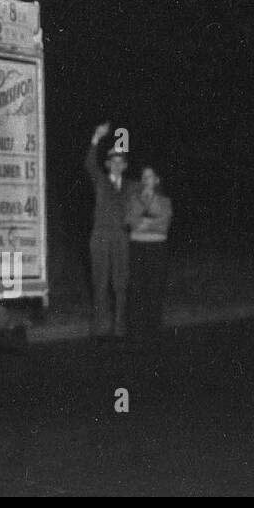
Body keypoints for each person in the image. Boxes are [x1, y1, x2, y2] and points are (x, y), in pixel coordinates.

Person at [84, 121, 136, 342]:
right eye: (112, 162)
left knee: (120, 283)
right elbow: (89, 164)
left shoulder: (132, 186)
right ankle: (99, 327)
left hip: (121, 238)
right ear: (107, 164)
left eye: (120, 162)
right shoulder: (100, 181)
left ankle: (119, 325)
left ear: (124, 166)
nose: (116, 165)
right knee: (100, 282)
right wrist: (96, 137)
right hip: (100, 238)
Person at [126, 165, 173, 338]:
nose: (146, 180)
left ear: (156, 180)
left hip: (157, 247)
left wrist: (146, 221)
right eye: (144, 177)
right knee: (137, 287)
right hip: (137, 246)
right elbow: (130, 220)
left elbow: (164, 223)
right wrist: (149, 219)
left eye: (150, 176)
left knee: (155, 287)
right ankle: (137, 329)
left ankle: (154, 328)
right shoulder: (134, 198)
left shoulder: (164, 200)